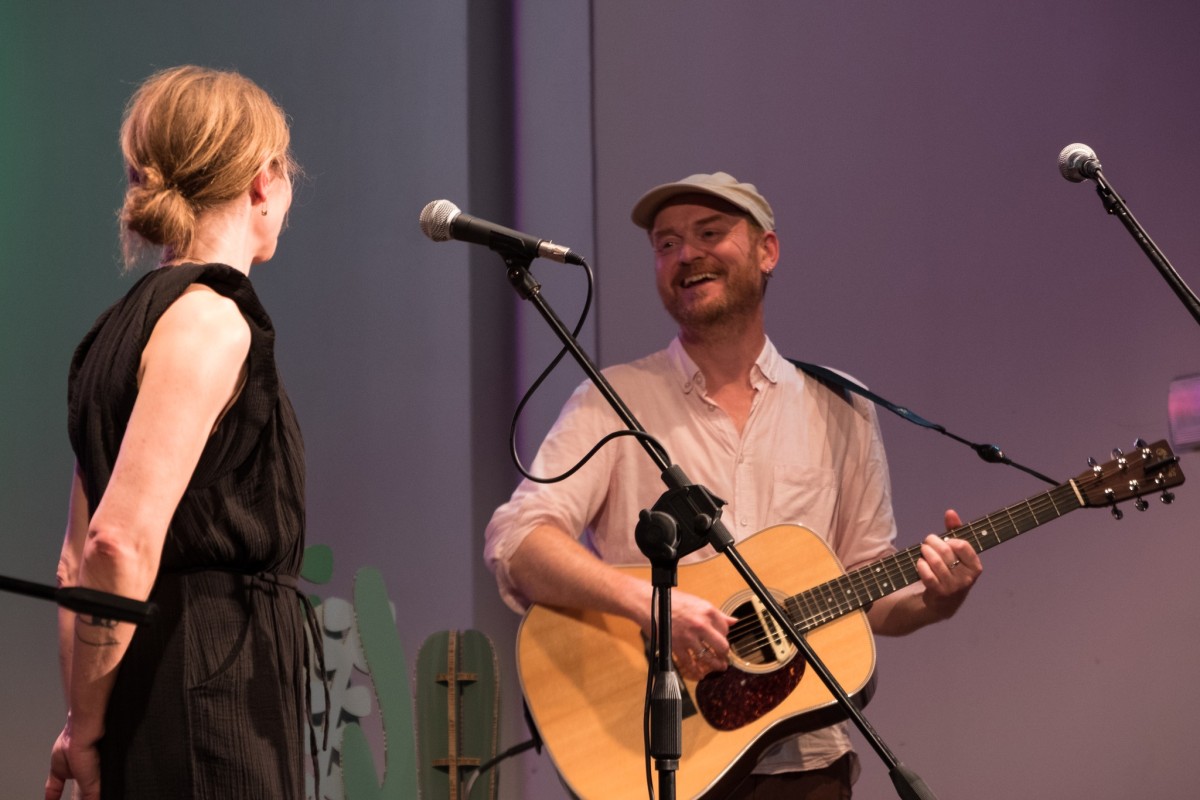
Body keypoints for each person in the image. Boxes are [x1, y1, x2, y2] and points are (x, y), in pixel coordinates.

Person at [485, 172, 983, 798]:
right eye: (666, 244)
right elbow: (519, 540)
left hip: (806, 767)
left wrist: (937, 599)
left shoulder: (841, 408)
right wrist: (652, 608)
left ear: (766, 251)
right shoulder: (612, 402)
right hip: (659, 762)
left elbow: (868, 587)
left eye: (709, 233)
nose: (685, 254)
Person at [46, 65, 313, 800]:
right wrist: (88, 729)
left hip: (148, 687)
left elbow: (75, 565)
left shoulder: (117, 331)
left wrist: (82, 721)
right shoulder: (208, 319)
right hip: (210, 700)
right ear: (263, 182)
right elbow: (116, 543)